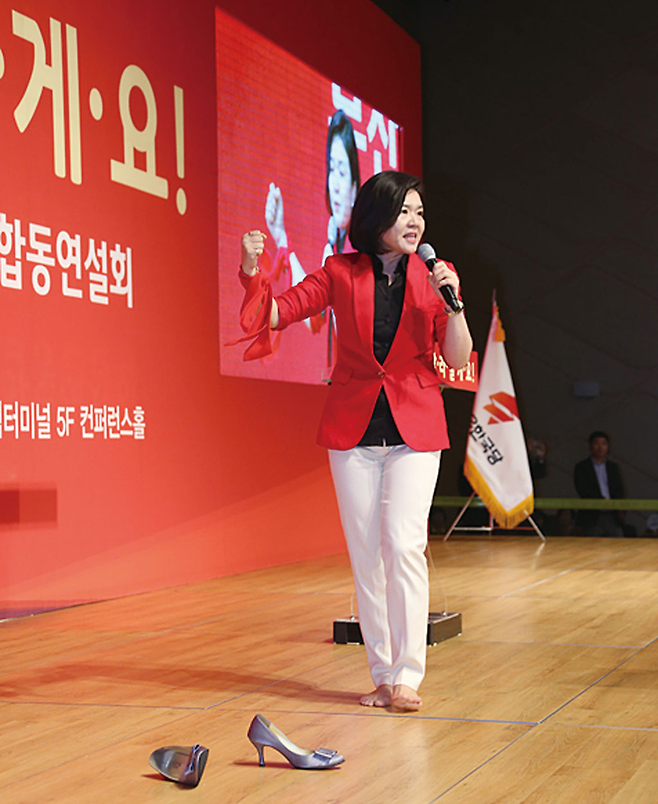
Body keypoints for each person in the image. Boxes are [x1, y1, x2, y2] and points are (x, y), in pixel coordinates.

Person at [237, 171, 473, 711]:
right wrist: (252, 271)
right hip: (354, 430)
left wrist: (453, 304)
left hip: (415, 425)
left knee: (402, 542)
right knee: (367, 554)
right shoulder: (340, 272)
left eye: (419, 212)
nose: (414, 221)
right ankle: (384, 675)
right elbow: (277, 313)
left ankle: (410, 674)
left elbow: (457, 357)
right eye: (404, 211)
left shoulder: (436, 276)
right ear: (375, 217)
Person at [265, 110, 360, 360]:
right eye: (331, 170)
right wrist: (281, 237)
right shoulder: (334, 246)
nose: (336, 184)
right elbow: (315, 319)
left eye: (342, 171)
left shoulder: (363, 253)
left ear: (354, 185)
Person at [573, 431, 625, 537]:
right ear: (590, 446)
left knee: (619, 543)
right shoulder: (582, 467)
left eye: (604, 444)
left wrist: (618, 506)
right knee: (591, 547)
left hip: (612, 514)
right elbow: (582, 489)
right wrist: (601, 501)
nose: (600, 447)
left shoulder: (613, 467)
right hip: (592, 515)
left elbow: (619, 488)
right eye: (597, 443)